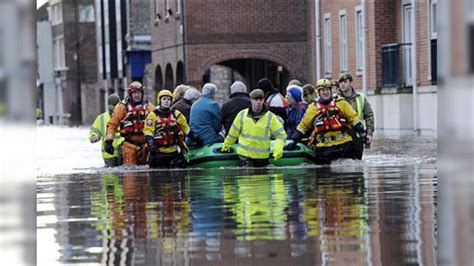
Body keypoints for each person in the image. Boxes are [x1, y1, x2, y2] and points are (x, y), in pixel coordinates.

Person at [286, 78, 366, 164]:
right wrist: (294, 141)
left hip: (343, 143)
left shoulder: (341, 103)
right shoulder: (313, 108)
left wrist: (361, 132)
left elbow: (353, 118)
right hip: (323, 147)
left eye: (327, 90)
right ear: (318, 92)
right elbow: (303, 126)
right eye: (323, 90)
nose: (325, 92)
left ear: (331, 91)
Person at [221, 89, 287, 167]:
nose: (258, 102)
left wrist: (278, 148)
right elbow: (233, 133)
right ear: (251, 100)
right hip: (245, 155)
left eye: (261, 99)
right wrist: (227, 144)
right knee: (248, 174)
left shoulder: (270, 117)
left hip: (262, 156)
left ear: (264, 100)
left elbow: (280, 135)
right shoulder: (242, 115)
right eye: (256, 99)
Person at [105, 81, 155, 165]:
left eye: (139, 93)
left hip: (146, 144)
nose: (137, 95)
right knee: (130, 172)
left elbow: (157, 122)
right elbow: (112, 125)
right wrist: (109, 141)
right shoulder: (122, 107)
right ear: (130, 94)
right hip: (129, 144)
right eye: (134, 93)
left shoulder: (149, 107)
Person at [144, 90, 196, 169]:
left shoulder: (176, 114)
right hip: (159, 152)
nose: (166, 101)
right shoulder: (153, 115)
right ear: (159, 101)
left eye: (168, 99)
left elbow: (185, 128)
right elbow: (148, 131)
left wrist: (196, 137)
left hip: (174, 152)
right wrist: (151, 145)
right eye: (164, 99)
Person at [337, 72, 375, 153]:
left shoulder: (360, 98)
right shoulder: (335, 100)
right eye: (340, 82)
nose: (342, 84)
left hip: (358, 135)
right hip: (340, 137)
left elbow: (369, 116)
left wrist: (369, 133)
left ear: (351, 83)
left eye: (345, 82)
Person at [89, 94, 125, 167]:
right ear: (109, 105)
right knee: (111, 177)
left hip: (122, 153)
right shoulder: (101, 118)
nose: (116, 107)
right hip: (108, 154)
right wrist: (94, 137)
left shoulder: (125, 115)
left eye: (118, 104)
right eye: (114, 105)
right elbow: (94, 131)